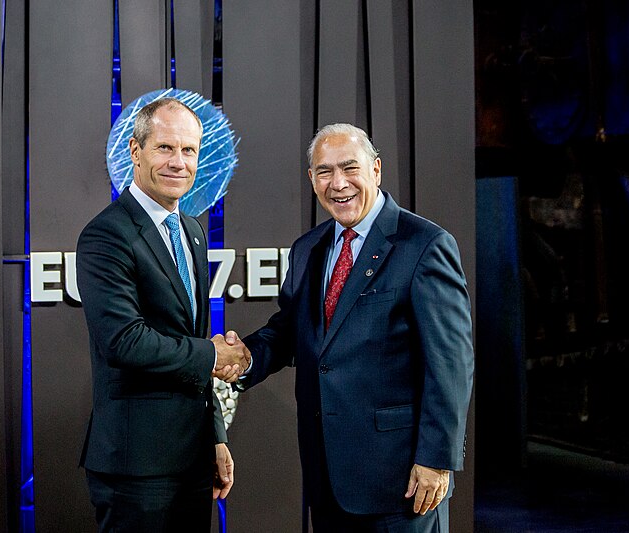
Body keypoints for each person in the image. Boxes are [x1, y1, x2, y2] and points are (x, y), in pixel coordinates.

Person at [235, 123, 474, 532]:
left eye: (350, 168)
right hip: (327, 476)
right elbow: (292, 331)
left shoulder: (424, 245)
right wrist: (245, 358)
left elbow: (451, 363)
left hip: (401, 483)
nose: (338, 183)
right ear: (312, 179)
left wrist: (436, 459)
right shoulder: (308, 248)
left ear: (376, 170)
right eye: (324, 171)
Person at [76, 97, 250, 533]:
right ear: (136, 153)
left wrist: (215, 436)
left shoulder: (191, 230)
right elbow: (125, 341)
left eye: (188, 150)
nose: (179, 162)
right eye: (165, 148)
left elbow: (187, 338)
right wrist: (212, 356)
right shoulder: (106, 235)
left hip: (191, 460)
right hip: (137, 467)